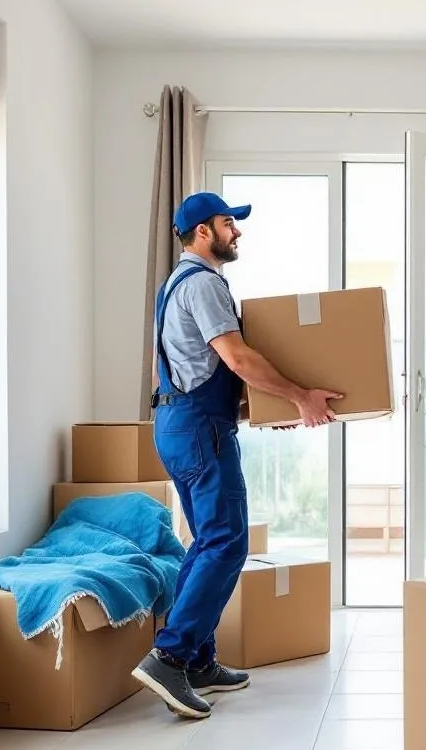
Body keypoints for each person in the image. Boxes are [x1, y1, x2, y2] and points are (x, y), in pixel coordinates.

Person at [132, 191, 342, 719]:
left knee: (208, 541)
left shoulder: (174, 286)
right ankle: (171, 655)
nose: (238, 232)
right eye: (229, 223)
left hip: (182, 424)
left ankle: (199, 658)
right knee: (228, 543)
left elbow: (191, 371)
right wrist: (300, 396)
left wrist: (258, 412)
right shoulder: (203, 284)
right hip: (199, 428)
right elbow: (238, 356)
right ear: (203, 232)